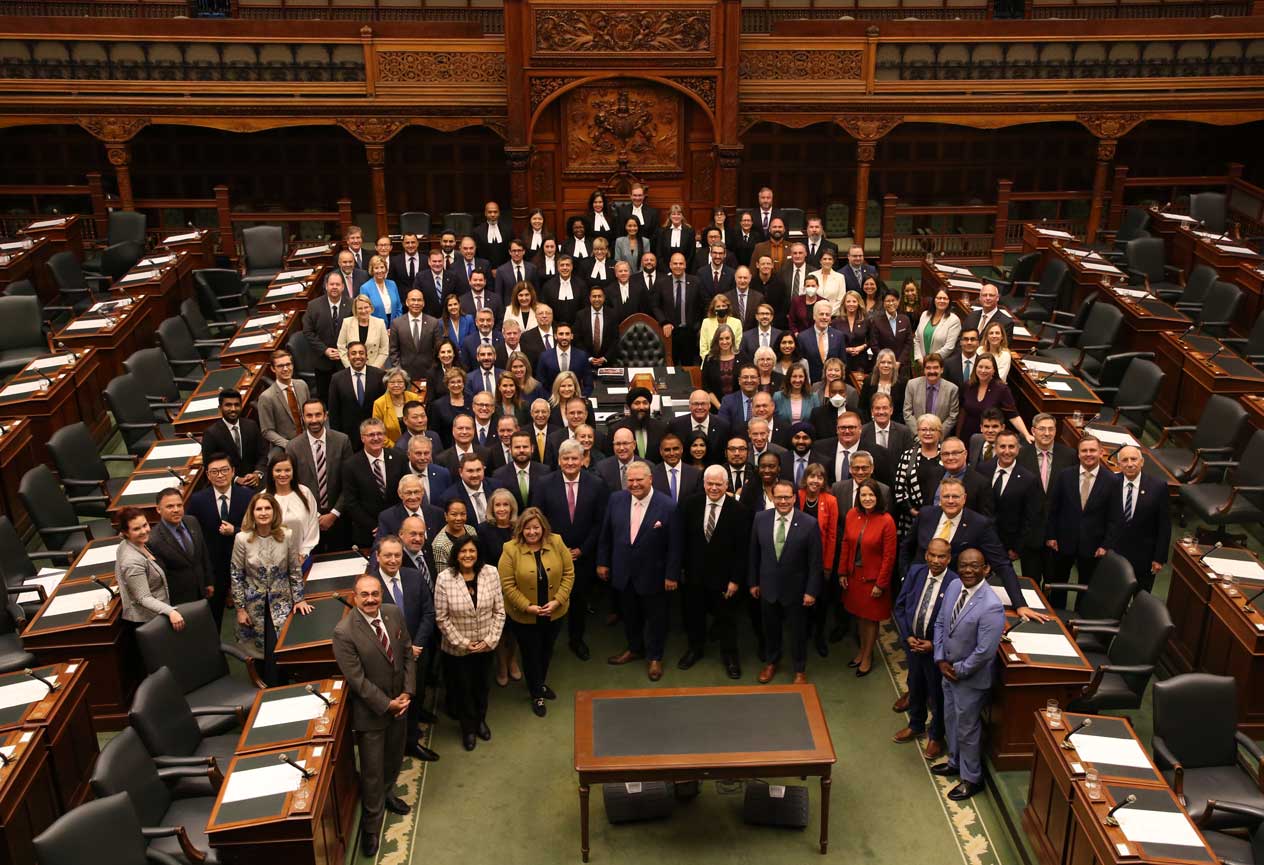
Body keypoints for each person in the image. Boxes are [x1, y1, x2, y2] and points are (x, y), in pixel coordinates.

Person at [332, 574, 416, 857]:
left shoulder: (392, 613)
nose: (371, 599)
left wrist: (407, 692)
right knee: (370, 772)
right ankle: (371, 825)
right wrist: (388, 704)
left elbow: (406, 654)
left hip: (400, 705)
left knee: (394, 757)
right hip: (372, 713)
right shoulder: (344, 633)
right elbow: (357, 682)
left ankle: (389, 792)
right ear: (354, 597)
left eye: (375, 594)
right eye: (364, 595)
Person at [931, 548, 1005, 801]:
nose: (968, 570)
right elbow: (941, 622)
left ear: (986, 569)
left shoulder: (992, 606)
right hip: (947, 670)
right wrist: (940, 659)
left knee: (967, 728)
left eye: (975, 566)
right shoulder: (953, 585)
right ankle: (954, 762)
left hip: (969, 679)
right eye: (963, 565)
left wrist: (958, 671)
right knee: (951, 719)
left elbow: (985, 652)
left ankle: (972, 778)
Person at [597, 460, 681, 681]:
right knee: (630, 615)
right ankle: (634, 649)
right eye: (630, 480)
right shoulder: (616, 500)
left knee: (656, 618)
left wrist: (672, 575)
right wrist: (603, 562)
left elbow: (675, 545)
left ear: (650, 479)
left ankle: (655, 657)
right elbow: (606, 535)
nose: (634, 484)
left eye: (639, 480)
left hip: (654, 574)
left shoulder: (668, 505)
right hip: (623, 571)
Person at [498, 507, 574, 718]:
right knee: (531, 655)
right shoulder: (510, 549)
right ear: (521, 529)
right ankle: (536, 693)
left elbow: (569, 574)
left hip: (554, 612)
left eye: (536, 528)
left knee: (546, 651)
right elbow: (507, 585)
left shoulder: (557, 542)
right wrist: (526, 606)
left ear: (543, 528)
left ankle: (539, 683)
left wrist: (558, 601)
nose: (532, 532)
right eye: (527, 528)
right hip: (525, 616)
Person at [677, 465, 752, 678]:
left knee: (727, 620)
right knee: (694, 616)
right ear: (703, 484)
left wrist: (736, 580)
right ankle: (695, 649)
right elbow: (681, 540)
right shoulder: (690, 505)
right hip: (694, 576)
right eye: (710, 483)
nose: (714, 488)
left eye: (718, 484)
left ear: (727, 485)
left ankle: (730, 656)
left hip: (724, 579)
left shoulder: (739, 511)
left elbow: (741, 550)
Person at [230, 492, 312, 685]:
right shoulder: (242, 539)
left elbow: (294, 570)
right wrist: (240, 609)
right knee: (259, 650)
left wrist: (299, 598)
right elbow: (236, 575)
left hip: (281, 601)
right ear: (253, 513)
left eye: (268, 508)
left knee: (280, 647)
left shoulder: (287, 535)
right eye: (259, 509)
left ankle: (283, 685)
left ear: (275, 512)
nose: (264, 512)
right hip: (253, 603)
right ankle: (265, 687)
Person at [435, 536, 505, 751]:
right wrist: (464, 643)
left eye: (472, 551)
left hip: (485, 646)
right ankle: (468, 729)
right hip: (457, 650)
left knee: (482, 687)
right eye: (463, 551)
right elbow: (441, 617)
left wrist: (490, 640)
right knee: (463, 690)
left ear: (478, 553)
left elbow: (499, 611)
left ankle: (480, 721)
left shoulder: (491, 573)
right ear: (456, 554)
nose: (468, 555)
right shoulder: (445, 578)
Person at [750, 480, 822, 684]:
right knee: (770, 629)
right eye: (778, 497)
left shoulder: (809, 523)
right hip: (768, 587)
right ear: (772, 498)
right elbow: (754, 554)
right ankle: (771, 662)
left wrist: (811, 591)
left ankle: (799, 669)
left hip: (797, 590)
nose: (782, 501)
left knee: (798, 632)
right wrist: (753, 582)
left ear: (794, 498)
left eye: (787, 497)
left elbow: (815, 562)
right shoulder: (760, 519)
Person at [891, 539, 957, 760]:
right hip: (913, 645)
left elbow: (956, 625)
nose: (936, 561)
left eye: (941, 557)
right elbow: (900, 606)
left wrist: (935, 645)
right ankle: (916, 724)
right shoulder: (916, 572)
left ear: (949, 558)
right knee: (915, 686)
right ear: (926, 555)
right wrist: (907, 636)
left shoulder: (955, 583)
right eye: (932, 555)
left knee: (937, 694)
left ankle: (937, 736)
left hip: (935, 652)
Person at [1044, 434, 1122, 605]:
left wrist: (1106, 545)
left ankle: (1079, 620)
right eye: (1084, 451)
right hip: (1063, 542)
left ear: (1101, 452)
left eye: (1092, 450)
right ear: (1078, 454)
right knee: (1058, 583)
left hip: (1094, 545)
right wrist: (1051, 535)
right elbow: (1053, 509)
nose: (1088, 454)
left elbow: (1115, 517)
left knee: (1087, 586)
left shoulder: (1112, 481)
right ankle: (1057, 617)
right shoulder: (1065, 475)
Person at [838, 479, 897, 677]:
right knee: (859, 617)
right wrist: (842, 571)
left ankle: (868, 656)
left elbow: (889, 556)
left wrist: (881, 584)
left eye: (871, 495)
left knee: (871, 620)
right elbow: (845, 543)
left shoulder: (886, 520)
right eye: (863, 495)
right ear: (858, 497)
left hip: (874, 580)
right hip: (854, 576)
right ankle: (862, 651)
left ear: (878, 497)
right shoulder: (852, 515)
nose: (867, 498)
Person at [186, 452, 252, 624]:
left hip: (245, 563)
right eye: (215, 471)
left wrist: (236, 530)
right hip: (213, 568)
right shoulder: (197, 500)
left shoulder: (248, 497)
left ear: (233, 471)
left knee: (252, 613)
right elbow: (191, 532)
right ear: (207, 474)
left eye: (224, 470)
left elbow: (257, 531)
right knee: (214, 616)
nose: (220, 475)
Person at [286, 399, 354, 551]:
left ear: (326, 416)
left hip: (340, 518)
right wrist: (315, 516)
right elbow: (292, 485)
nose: (314, 420)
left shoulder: (342, 441)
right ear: (303, 418)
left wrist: (334, 514)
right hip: (308, 520)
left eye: (318, 415)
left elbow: (349, 482)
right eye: (309, 416)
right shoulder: (293, 447)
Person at [974, 429, 1040, 566]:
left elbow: (1029, 518)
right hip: (980, 539)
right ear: (996, 448)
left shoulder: (1029, 479)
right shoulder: (982, 469)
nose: (1007, 451)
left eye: (1011, 446)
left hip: (1007, 545)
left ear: (1018, 449)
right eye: (1002, 446)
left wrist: (1017, 548)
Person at [1109, 445, 1171, 592]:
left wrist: (1159, 558)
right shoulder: (1111, 482)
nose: (1130, 464)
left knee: (1140, 598)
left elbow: (1164, 525)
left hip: (1145, 557)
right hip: (1114, 554)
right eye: (1125, 460)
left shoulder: (1158, 487)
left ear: (1142, 462)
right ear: (1119, 464)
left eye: (1134, 459)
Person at [115, 507, 185, 631]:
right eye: (136, 529)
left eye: (145, 525)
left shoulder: (134, 542)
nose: (144, 531)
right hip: (150, 619)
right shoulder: (131, 561)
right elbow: (143, 598)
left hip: (160, 607)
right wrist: (171, 612)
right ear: (126, 532)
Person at [480, 487, 523, 688]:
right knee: (499, 629)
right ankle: (502, 665)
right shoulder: (483, 529)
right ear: (492, 507)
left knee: (514, 628)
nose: (502, 509)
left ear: (512, 507)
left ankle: (512, 659)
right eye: (498, 505)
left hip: (518, 587)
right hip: (493, 587)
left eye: (506, 505)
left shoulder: (519, 528)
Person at [797, 462, 840, 657]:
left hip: (820, 559)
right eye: (812, 476)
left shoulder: (830, 500)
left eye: (820, 477)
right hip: (797, 559)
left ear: (824, 481)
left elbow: (832, 535)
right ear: (805, 479)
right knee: (800, 599)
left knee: (821, 601)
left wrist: (828, 565)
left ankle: (819, 636)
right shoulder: (797, 496)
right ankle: (803, 632)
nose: (815, 480)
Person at [146, 488, 214, 605]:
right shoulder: (153, 539)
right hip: (179, 598)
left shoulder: (192, 521)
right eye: (170, 506)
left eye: (179, 505)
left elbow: (203, 553)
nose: (176, 510)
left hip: (202, 589)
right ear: (158, 509)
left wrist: (209, 581)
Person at [956, 353, 1030, 444]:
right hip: (968, 435)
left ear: (994, 370)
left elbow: (1013, 415)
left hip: (990, 436)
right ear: (975, 368)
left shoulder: (1001, 389)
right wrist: (957, 436)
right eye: (980, 367)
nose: (983, 370)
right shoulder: (968, 385)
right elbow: (962, 411)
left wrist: (1026, 434)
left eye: (987, 368)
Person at [302, 270, 353, 402]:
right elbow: (308, 332)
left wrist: (345, 350)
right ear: (326, 286)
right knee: (326, 398)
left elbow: (355, 331)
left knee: (346, 396)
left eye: (337, 284)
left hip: (346, 361)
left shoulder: (352, 305)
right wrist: (324, 350)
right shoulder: (313, 306)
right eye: (331, 284)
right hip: (323, 362)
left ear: (343, 286)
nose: (334, 287)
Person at [201, 389, 266, 486]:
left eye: (236, 405)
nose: (233, 409)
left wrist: (257, 473)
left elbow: (263, 454)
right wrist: (235, 479)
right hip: (228, 484)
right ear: (220, 408)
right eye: (228, 405)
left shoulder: (251, 425)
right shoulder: (211, 433)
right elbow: (209, 465)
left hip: (255, 481)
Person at [264, 454, 320, 561]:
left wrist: (304, 553)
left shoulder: (305, 493)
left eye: (287, 470)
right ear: (271, 472)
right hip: (272, 560)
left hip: (303, 558)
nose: (283, 474)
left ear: (293, 471)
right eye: (278, 470)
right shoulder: (263, 498)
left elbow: (313, 524)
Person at [328, 342, 386, 445]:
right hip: (348, 437)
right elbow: (334, 412)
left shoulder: (379, 376)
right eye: (353, 353)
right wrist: (337, 437)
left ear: (366, 356)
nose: (358, 356)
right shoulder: (337, 379)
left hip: (375, 435)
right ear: (348, 356)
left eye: (361, 353)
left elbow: (385, 407)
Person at [257, 349, 311, 454]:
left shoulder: (302, 385)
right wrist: (289, 445)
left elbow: (309, 413)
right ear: (273, 369)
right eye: (280, 366)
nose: (285, 369)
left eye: (288, 364)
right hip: (286, 446)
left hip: (308, 439)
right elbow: (267, 431)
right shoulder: (266, 397)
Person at [388, 288, 443, 386]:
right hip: (405, 375)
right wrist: (400, 373)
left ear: (423, 303)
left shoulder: (433, 322)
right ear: (407, 302)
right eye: (413, 300)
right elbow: (393, 351)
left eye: (419, 300)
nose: (416, 303)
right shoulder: (397, 323)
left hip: (429, 373)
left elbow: (438, 349)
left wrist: (434, 369)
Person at [904, 353, 959, 431]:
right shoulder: (912, 385)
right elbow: (907, 413)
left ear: (942, 370)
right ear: (924, 370)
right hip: (916, 436)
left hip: (940, 438)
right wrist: (919, 433)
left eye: (935, 368)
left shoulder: (952, 389)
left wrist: (937, 434)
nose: (932, 371)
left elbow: (953, 416)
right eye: (928, 368)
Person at [372, 368, 423, 447]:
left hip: (416, 445)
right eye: (392, 382)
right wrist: (396, 448)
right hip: (392, 448)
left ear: (405, 384)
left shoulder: (413, 397)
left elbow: (422, 421)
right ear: (387, 385)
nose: (396, 385)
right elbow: (377, 431)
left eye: (400, 382)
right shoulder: (379, 404)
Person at [797, 299, 844, 383]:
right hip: (810, 384)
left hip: (833, 384)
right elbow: (800, 364)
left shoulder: (838, 336)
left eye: (827, 315)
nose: (824, 317)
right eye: (821, 314)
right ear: (814, 316)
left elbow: (842, 362)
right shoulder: (802, 337)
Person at [338, 294, 390, 369]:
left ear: (371, 308)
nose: (363, 311)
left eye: (366, 307)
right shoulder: (347, 322)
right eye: (360, 308)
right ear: (355, 310)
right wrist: (350, 367)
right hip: (352, 368)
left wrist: (373, 368)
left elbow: (384, 350)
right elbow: (341, 346)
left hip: (374, 368)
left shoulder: (380, 323)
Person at [914, 289, 962, 369]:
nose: (942, 301)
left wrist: (930, 361)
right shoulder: (925, 315)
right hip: (921, 364)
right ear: (934, 300)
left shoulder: (954, 320)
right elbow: (917, 339)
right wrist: (920, 359)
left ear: (949, 301)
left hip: (940, 366)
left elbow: (949, 347)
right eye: (939, 298)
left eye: (945, 298)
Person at [651, 433, 702, 504]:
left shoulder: (695, 474)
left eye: (675, 449)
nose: (672, 453)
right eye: (667, 450)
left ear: (682, 449)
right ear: (661, 451)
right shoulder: (652, 474)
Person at [859, 349, 906, 422]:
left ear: (894, 365)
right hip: (871, 424)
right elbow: (862, 407)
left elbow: (902, 410)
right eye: (883, 362)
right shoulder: (868, 381)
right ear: (877, 364)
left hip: (894, 426)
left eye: (889, 363)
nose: (886, 365)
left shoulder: (901, 383)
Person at [700, 324, 740, 407]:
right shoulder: (709, 359)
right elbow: (706, 387)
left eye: (727, 338)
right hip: (715, 408)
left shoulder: (742, 357)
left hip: (738, 407)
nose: (724, 342)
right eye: (721, 339)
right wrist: (720, 407)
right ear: (716, 340)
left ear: (732, 339)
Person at [836, 290, 871, 374]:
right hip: (841, 361)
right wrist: (845, 349)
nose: (851, 304)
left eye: (854, 301)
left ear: (859, 303)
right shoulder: (836, 321)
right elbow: (832, 342)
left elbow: (872, 339)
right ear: (844, 303)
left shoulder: (866, 321)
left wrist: (862, 347)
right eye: (848, 301)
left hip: (861, 361)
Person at [361, 255, 401, 327]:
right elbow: (365, 312)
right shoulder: (365, 288)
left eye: (382, 267)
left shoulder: (392, 284)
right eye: (376, 268)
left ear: (386, 269)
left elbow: (399, 307)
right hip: (375, 326)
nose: (380, 271)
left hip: (394, 326)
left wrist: (395, 325)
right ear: (372, 270)